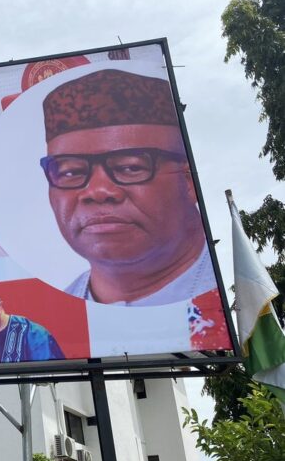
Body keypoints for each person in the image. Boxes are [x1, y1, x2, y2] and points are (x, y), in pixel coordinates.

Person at [40, 69, 216, 306]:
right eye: (71, 172)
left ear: (187, 180)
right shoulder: (53, 317)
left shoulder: (225, 300)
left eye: (129, 167)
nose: (98, 191)